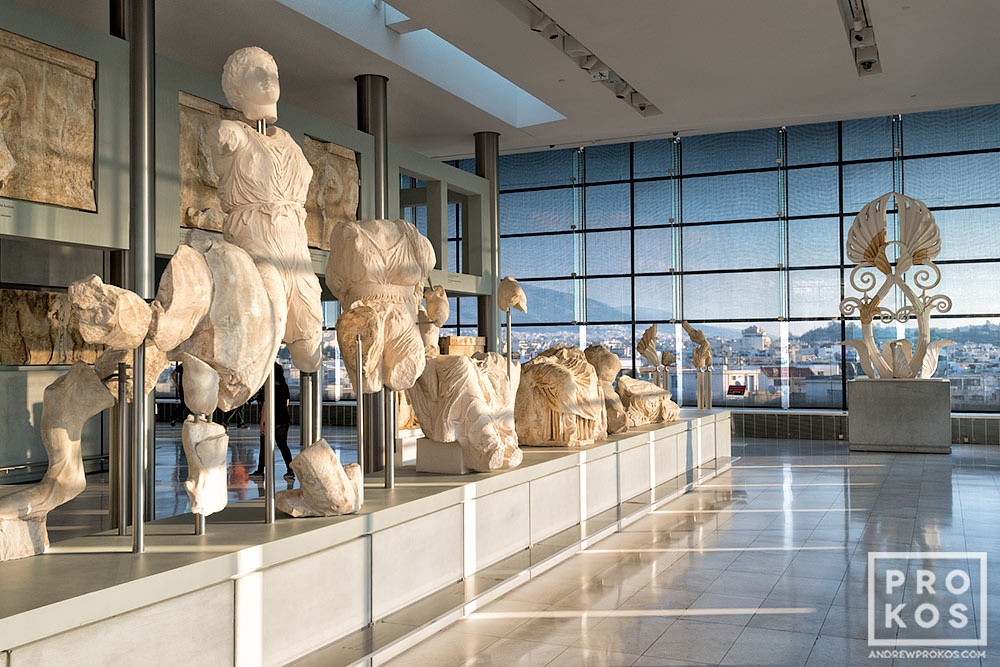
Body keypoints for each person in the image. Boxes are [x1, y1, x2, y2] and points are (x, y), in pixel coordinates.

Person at [249, 362, 294, 481]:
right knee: (283, 445)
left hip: (271, 419)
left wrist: (262, 422)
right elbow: (286, 403)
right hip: (283, 418)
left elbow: (265, 405)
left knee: (264, 446)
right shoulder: (284, 385)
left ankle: (260, 471)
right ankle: (290, 470)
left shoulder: (268, 385)